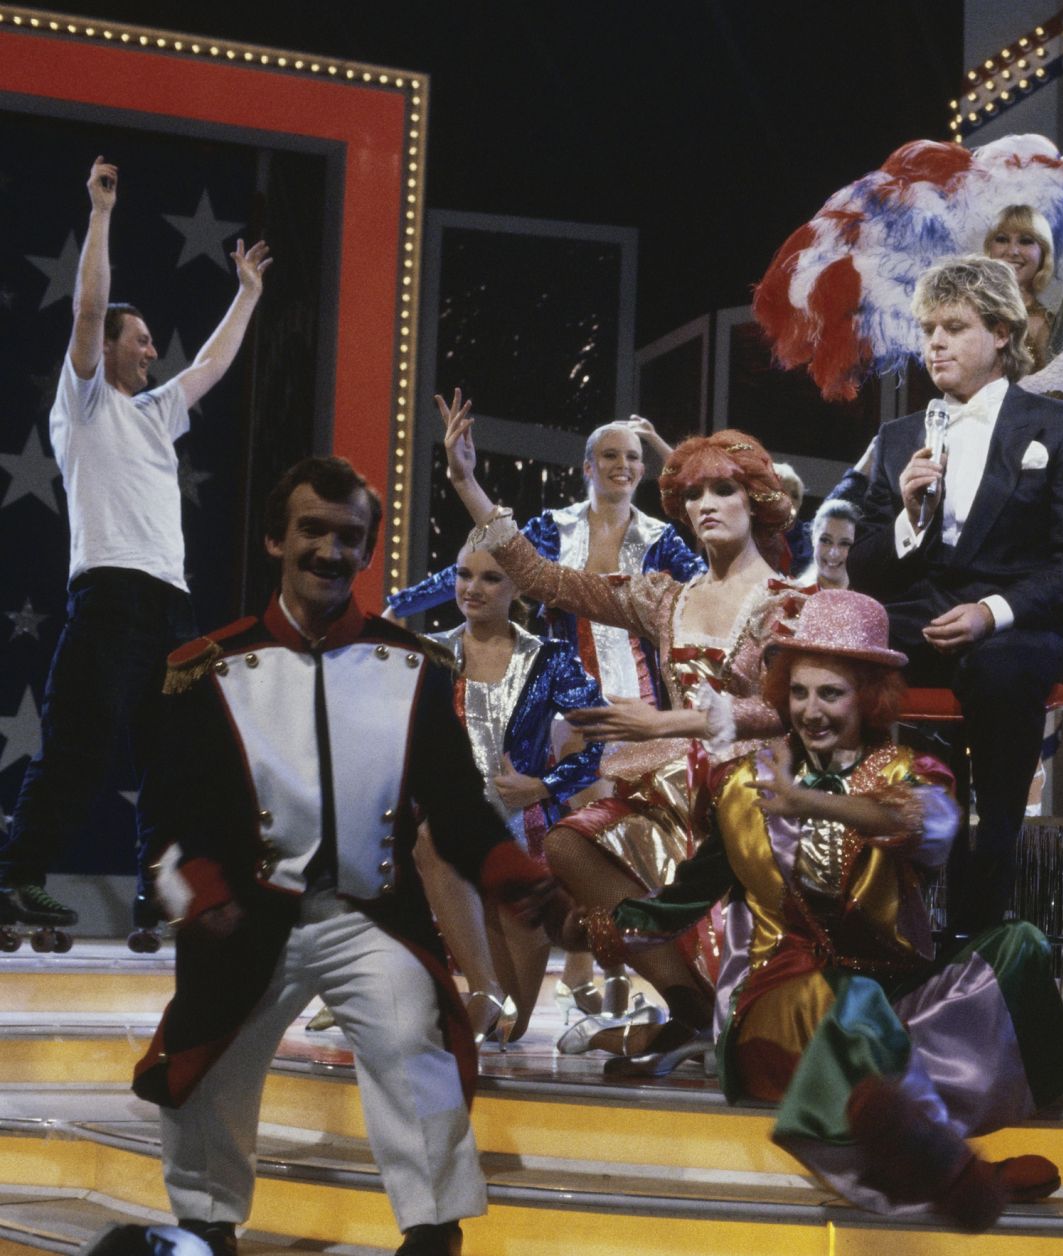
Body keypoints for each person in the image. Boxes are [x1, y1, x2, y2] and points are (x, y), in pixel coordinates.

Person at [133, 457, 561, 1256]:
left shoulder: (414, 668)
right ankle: (206, 1225)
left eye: (348, 537)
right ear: (276, 540)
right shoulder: (207, 669)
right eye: (313, 531)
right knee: (211, 1063)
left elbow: (456, 804)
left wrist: (511, 875)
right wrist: (200, 890)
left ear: (367, 551)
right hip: (248, 915)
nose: (330, 551)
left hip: (372, 917)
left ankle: (433, 1232)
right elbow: (166, 818)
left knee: (412, 1045)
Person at [564, 589, 1063, 1227]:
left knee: (1018, 945)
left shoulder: (907, 770)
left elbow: (928, 826)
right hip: (774, 1001)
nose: (811, 711)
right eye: (800, 692)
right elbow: (684, 899)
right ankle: (947, 1171)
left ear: (868, 698)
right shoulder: (741, 784)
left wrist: (811, 803)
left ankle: (936, 1136)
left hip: (889, 987)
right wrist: (605, 927)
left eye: (831, 694)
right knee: (850, 1005)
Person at [439, 392, 800, 1050]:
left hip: (762, 794)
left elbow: (787, 711)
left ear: (756, 501)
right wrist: (468, 485)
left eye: (723, 490)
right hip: (680, 786)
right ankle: (686, 1006)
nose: (707, 504)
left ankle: (732, 1006)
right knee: (569, 844)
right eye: (694, 494)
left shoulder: (790, 602)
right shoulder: (664, 597)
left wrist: (668, 724)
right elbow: (544, 579)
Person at [0, 157, 271, 937]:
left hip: (171, 609)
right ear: (109, 347)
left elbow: (212, 363)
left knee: (173, 759)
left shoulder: (157, 414)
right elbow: (89, 309)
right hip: (110, 598)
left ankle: (159, 894)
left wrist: (248, 294)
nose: (153, 353)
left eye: (153, 342)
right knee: (79, 748)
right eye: (142, 340)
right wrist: (101, 212)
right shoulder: (84, 402)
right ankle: (17, 879)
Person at [840, 253, 1063, 935]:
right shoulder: (899, 437)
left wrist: (991, 613)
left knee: (997, 669)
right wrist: (907, 516)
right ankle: (845, 868)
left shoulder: (1058, 426)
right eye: (929, 329)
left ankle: (981, 897)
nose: (935, 343)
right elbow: (865, 569)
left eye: (954, 327)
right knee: (830, 640)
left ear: (1000, 333)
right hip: (919, 617)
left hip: (1017, 625)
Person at [414, 541, 606, 1046]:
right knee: (432, 837)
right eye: (463, 574)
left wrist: (544, 785)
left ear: (518, 584)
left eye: (491, 578)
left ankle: (493, 989)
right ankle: (480, 985)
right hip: (445, 839)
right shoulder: (427, 654)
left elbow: (602, 740)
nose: (472, 588)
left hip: (521, 840)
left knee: (510, 1029)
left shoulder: (549, 658)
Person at [385, 415, 702, 708]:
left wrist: (668, 454)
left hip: (640, 709)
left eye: (632, 457)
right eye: (610, 455)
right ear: (588, 467)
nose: (623, 464)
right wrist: (401, 606)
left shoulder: (659, 539)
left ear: (642, 470)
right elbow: (483, 559)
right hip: (565, 707)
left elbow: (709, 588)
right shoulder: (554, 529)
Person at [983, 204, 1057, 366]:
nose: (1012, 251)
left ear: (1043, 254)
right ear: (989, 249)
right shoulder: (967, 309)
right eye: (1002, 240)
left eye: (1025, 241)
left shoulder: (1046, 325)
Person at [799, 498, 858, 589]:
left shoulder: (870, 596)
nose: (833, 553)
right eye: (826, 541)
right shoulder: (792, 593)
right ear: (813, 538)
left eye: (844, 543)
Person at [773, 461, 814, 575]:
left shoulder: (810, 538)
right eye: (781, 491)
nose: (789, 501)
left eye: (795, 495)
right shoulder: (746, 535)